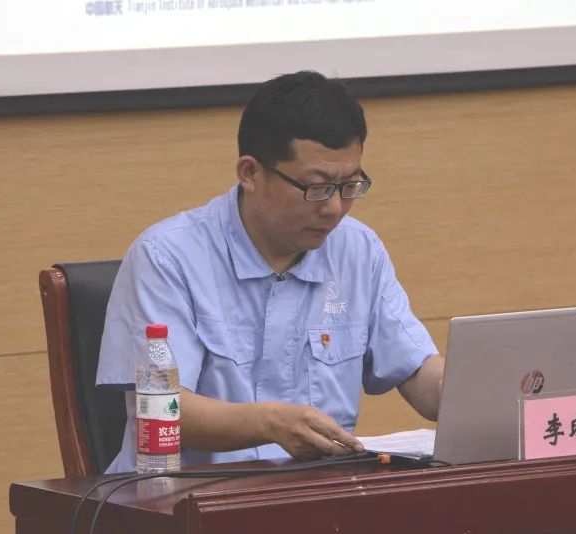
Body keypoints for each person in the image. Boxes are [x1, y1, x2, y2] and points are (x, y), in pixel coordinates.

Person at [97, 70, 445, 473]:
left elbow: (418, 372)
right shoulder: (166, 257)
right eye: (317, 187)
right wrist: (270, 424)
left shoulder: (359, 250)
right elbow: (162, 410)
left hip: (317, 494)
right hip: (184, 495)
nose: (334, 208)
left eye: (350, 186)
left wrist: (469, 390)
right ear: (250, 173)